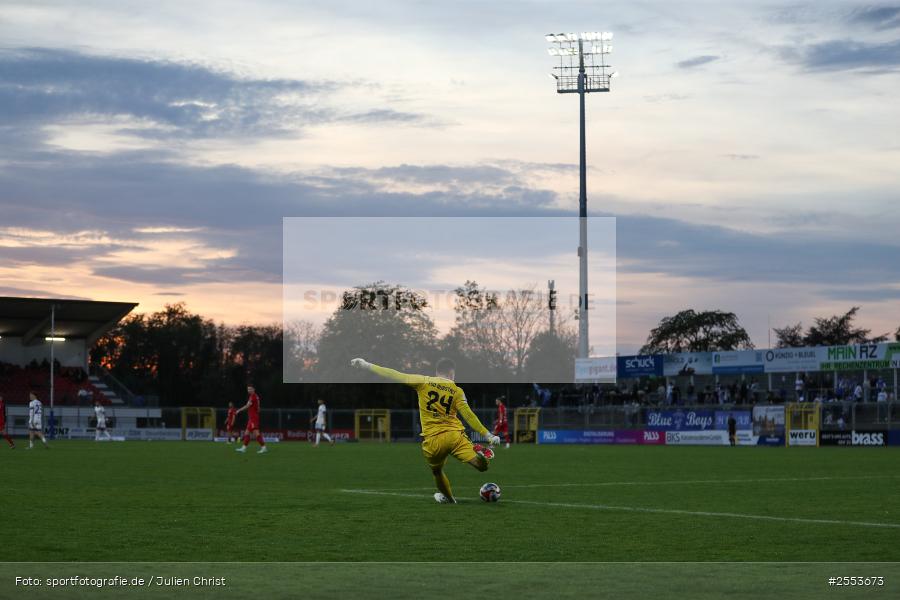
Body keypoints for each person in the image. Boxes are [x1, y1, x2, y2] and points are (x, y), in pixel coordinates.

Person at [351, 357, 500, 504]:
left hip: (433, 440)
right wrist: (488, 435)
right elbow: (468, 415)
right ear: (451, 373)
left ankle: (449, 499)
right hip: (454, 436)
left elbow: (394, 374)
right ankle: (480, 458)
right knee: (482, 467)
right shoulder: (457, 391)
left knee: (437, 471)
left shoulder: (424, 382)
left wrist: (366, 365)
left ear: (437, 372)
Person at [235, 384, 267, 454]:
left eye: (250, 389)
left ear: (254, 389)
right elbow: (258, 407)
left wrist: (239, 410)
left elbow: (247, 406)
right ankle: (244, 448)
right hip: (252, 418)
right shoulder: (254, 396)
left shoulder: (253, 396)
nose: (249, 390)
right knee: (247, 433)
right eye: (248, 389)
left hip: (253, 418)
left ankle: (263, 447)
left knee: (256, 433)